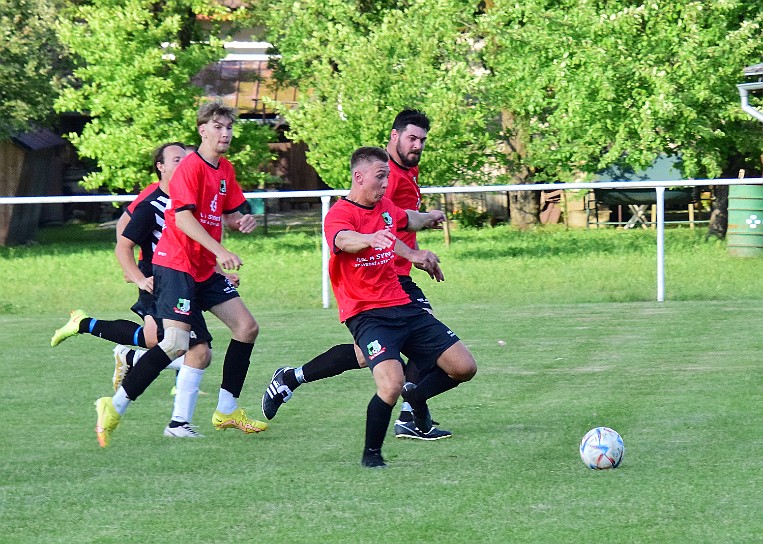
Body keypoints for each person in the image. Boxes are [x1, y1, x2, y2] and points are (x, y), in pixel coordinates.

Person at [262, 109, 453, 440]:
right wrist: (403, 251)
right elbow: (356, 231)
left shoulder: (403, 173)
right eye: (412, 138)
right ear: (394, 136)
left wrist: (425, 219)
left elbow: (401, 219)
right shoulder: (379, 175)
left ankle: (292, 378)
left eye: (422, 140)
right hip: (380, 277)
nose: (418, 145)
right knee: (419, 338)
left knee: (367, 354)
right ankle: (410, 413)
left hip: (396, 274)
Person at [94, 102, 267, 447]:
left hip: (203, 269)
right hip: (175, 265)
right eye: (218, 127)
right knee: (174, 344)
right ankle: (112, 407)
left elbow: (229, 212)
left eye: (229, 128)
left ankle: (226, 410)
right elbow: (184, 219)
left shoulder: (225, 170)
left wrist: (240, 221)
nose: (225, 133)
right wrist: (221, 251)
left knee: (247, 328)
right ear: (202, 130)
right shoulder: (190, 168)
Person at [322, 146, 476, 467]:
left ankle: (417, 396)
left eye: (387, 177)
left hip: (402, 305)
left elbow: (408, 220)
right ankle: (372, 456)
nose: (384, 183)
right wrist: (369, 239)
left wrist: (429, 219)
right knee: (390, 385)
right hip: (366, 314)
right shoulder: (340, 214)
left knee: (463, 367)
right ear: (358, 176)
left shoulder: (387, 207)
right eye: (380, 177)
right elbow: (342, 240)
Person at [50, 143, 190, 389]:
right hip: (155, 274)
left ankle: (108, 341)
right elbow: (123, 229)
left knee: (161, 337)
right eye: (178, 160)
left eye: (187, 160)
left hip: (180, 274)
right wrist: (133, 272)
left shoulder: (190, 196)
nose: (186, 165)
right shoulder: (151, 198)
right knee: (169, 337)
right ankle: (180, 386)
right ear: (161, 167)